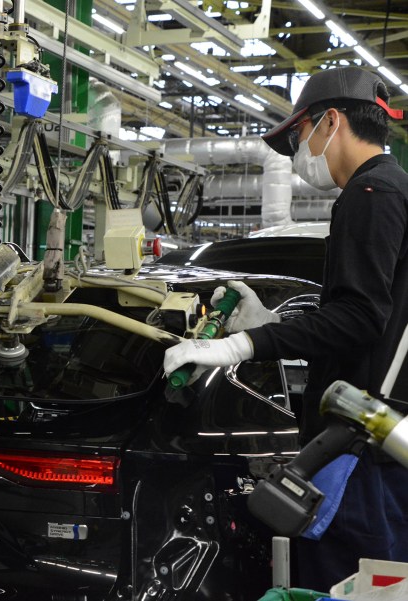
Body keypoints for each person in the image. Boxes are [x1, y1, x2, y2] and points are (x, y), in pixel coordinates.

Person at [164, 66, 408, 591]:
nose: (298, 150)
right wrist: (278, 323)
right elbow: (372, 324)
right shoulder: (393, 190)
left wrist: (240, 344)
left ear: (332, 122)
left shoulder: (371, 194)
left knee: (338, 585)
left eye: (299, 134)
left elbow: (361, 318)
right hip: (379, 445)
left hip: (358, 451)